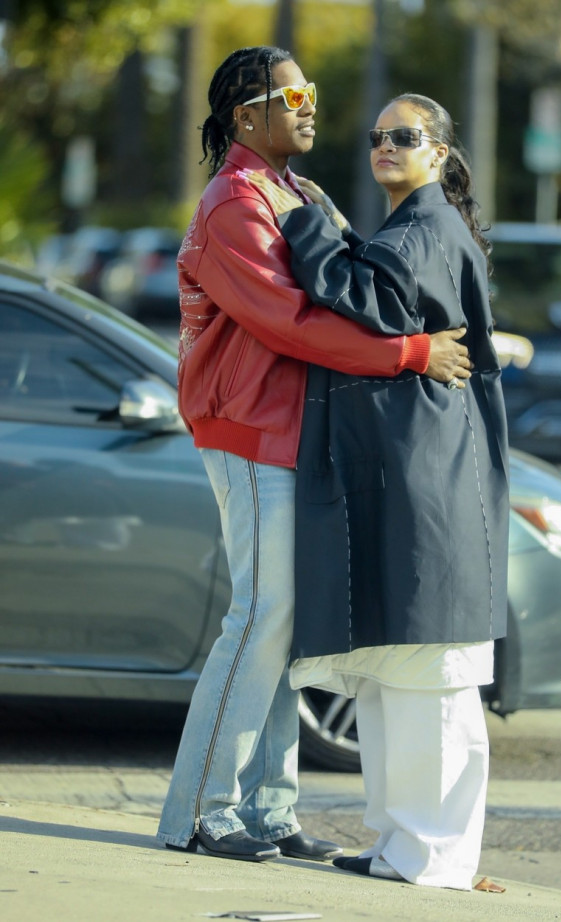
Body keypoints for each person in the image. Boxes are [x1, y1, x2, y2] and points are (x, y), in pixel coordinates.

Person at [156, 48, 473, 865]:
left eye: (313, 94)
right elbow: (291, 321)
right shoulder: (234, 202)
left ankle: (268, 812)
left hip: (296, 435)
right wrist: (412, 354)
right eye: (290, 95)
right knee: (258, 619)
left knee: (285, 630)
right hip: (248, 432)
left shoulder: (295, 191)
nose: (309, 107)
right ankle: (197, 813)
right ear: (244, 115)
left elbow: (358, 286)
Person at [247, 93, 509, 889]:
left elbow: (346, 287)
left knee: (429, 672)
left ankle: (430, 854)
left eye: (406, 136)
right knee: (397, 669)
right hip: (410, 469)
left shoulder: (428, 230)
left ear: (440, 153)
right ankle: (399, 842)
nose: (386, 146)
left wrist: (303, 212)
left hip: (430, 476)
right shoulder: (410, 229)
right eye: (377, 137)